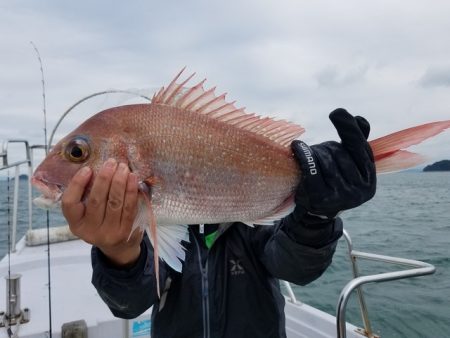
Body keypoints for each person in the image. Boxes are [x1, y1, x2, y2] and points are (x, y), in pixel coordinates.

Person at [61, 109, 376, 338]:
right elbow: (129, 303)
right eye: (77, 153)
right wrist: (118, 248)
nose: (194, 173)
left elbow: (294, 267)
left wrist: (316, 216)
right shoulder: (143, 223)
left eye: (77, 153)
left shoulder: (251, 221)